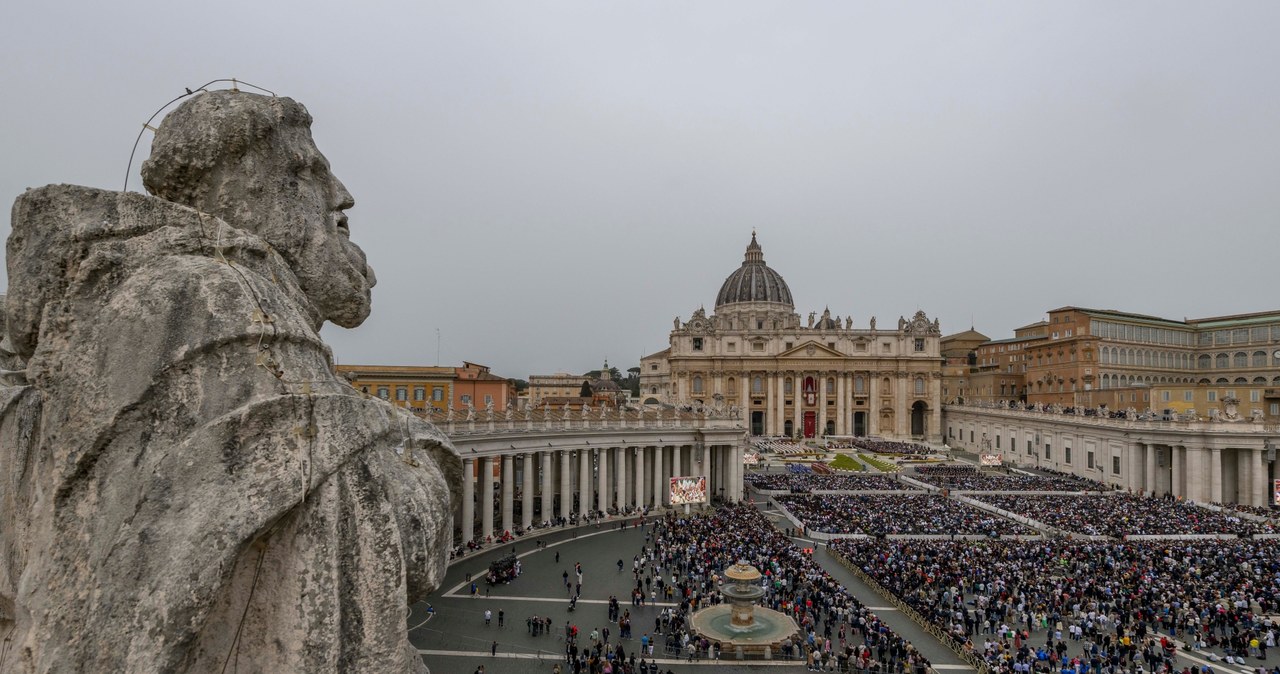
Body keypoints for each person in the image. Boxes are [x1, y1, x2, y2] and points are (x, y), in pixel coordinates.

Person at [0, 89, 460, 673]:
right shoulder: (220, 299)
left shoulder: (174, 292)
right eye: (309, 172)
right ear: (249, 188)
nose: (341, 196)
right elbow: (386, 536)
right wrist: (419, 445)